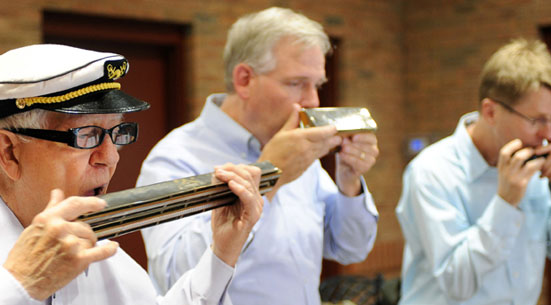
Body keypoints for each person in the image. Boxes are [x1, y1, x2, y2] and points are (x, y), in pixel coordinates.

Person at [0, 44, 264, 305]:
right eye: (87, 135)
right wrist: (20, 284)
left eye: (117, 133)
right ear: (9, 152)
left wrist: (222, 251)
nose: (110, 157)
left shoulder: (104, 258)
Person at [136, 7, 380, 305]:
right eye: (296, 83)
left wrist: (349, 181)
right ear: (244, 79)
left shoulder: (298, 152)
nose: (313, 100)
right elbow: (174, 274)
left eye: (317, 84)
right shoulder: (175, 157)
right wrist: (269, 176)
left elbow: (349, 249)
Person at [396, 39, 551, 305]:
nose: (549, 134)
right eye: (537, 120)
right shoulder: (431, 172)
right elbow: (458, 283)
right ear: (490, 112)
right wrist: (505, 203)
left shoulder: (534, 164)